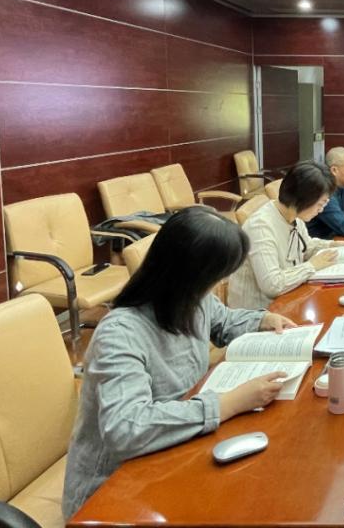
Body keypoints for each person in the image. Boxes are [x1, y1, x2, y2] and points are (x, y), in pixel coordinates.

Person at [62, 206, 297, 519]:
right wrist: (226, 404)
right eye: (218, 277)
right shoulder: (121, 333)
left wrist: (262, 320)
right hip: (113, 487)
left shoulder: (192, 300)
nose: (221, 284)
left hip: (177, 449)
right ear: (190, 276)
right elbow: (126, 429)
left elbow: (224, 321)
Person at [227, 160, 344, 309]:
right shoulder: (261, 226)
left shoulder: (293, 215)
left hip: (288, 300)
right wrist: (312, 266)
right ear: (304, 199)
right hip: (259, 312)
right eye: (320, 204)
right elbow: (272, 285)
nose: (321, 210)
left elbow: (305, 247)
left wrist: (332, 245)